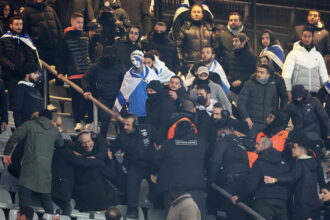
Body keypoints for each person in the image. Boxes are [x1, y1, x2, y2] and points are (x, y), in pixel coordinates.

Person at [3, 109, 64, 214]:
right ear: (50, 119)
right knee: (47, 203)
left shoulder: (29, 125)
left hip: (28, 170)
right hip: (45, 172)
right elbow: (61, 145)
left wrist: (7, 153)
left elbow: (15, 136)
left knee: (24, 205)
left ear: (39, 116)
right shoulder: (55, 131)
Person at [110, 113, 161, 219]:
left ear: (135, 124)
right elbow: (111, 150)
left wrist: (156, 164)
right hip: (135, 166)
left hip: (151, 165)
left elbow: (161, 143)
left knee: (157, 188)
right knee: (131, 186)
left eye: (128, 125)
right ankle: (132, 211)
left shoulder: (147, 129)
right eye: (124, 124)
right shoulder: (122, 136)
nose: (125, 127)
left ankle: (159, 209)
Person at [154, 120, 206, 219]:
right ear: (193, 131)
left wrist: (154, 173)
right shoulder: (201, 143)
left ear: (176, 131)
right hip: (197, 187)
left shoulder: (168, 144)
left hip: (173, 190)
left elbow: (155, 160)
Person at [207, 119, 255, 220]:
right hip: (245, 180)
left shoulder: (225, 140)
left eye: (218, 136)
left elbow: (215, 161)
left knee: (231, 212)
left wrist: (211, 180)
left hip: (232, 181)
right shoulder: (240, 146)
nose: (217, 139)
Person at [231, 137, 289, 220]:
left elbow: (251, 185)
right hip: (281, 201)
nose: (255, 145)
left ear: (264, 146)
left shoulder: (259, 162)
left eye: (258, 144)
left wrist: (239, 197)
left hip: (264, 201)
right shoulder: (283, 163)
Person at [264, 140, 323, 220]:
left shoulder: (300, 164)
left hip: (302, 203)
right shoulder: (313, 163)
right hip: (313, 203)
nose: (292, 149)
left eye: (294, 148)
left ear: (301, 150)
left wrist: (275, 179)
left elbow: (292, 176)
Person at [56, 12, 92, 132]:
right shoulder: (64, 37)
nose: (81, 24)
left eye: (82, 22)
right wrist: (60, 71)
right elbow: (61, 56)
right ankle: (77, 121)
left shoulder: (86, 36)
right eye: (78, 22)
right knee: (76, 100)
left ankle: (90, 121)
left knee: (89, 98)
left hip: (87, 73)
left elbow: (90, 53)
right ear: (72, 22)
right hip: (73, 73)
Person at [82, 46, 125, 137]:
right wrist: (87, 90)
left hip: (117, 99)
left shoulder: (118, 67)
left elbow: (126, 82)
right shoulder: (97, 67)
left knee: (120, 124)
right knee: (106, 124)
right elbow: (85, 78)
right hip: (105, 98)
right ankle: (104, 144)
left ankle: (118, 145)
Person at [72, 131, 118, 211]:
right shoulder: (97, 162)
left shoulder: (74, 158)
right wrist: (110, 160)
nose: (87, 145)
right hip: (99, 203)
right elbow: (112, 175)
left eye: (89, 141)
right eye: (84, 143)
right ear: (79, 144)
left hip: (82, 204)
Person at [0, 15, 38, 110]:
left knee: (25, 102)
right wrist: (13, 67)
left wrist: (27, 68)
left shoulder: (26, 40)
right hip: (10, 75)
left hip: (24, 74)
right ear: (10, 25)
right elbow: (1, 57)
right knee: (14, 101)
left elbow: (31, 57)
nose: (19, 27)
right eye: (16, 24)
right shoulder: (4, 40)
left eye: (21, 24)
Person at [283, 25, 329, 100]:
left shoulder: (318, 55)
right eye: (304, 36)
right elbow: (286, 75)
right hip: (298, 95)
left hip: (315, 96)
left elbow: (324, 78)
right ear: (301, 36)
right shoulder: (293, 54)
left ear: (312, 37)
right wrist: (288, 91)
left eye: (309, 36)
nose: (306, 39)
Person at [283, 85, 330, 156]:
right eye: (296, 98)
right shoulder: (290, 106)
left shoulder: (314, 102)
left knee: (315, 159)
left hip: (314, 136)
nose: (298, 99)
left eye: (300, 97)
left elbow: (324, 118)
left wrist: (327, 133)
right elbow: (283, 121)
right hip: (299, 137)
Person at [114, 50, 159, 120]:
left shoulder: (151, 74)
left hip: (148, 107)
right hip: (133, 107)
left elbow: (157, 91)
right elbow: (124, 91)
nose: (136, 62)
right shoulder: (128, 75)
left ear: (142, 59)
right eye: (133, 60)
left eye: (138, 59)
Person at [238, 64, 279, 138]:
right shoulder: (249, 84)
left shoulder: (272, 87)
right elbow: (241, 103)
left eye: (262, 72)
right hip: (251, 123)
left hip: (266, 125)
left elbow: (274, 105)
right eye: (258, 72)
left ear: (268, 75)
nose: (259, 74)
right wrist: (246, 117)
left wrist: (272, 116)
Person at [176, 3, 215, 75]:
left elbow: (214, 46)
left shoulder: (209, 28)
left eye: (198, 12)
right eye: (194, 12)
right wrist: (181, 62)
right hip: (190, 64)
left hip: (207, 64)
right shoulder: (185, 28)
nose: (196, 14)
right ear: (190, 14)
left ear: (202, 14)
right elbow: (178, 46)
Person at [21, 0, 62, 65]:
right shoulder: (26, 12)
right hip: (39, 53)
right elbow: (24, 34)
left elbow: (59, 27)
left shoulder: (51, 10)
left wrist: (60, 44)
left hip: (55, 51)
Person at [227, 33, 257, 100]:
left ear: (243, 42)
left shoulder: (251, 57)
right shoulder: (231, 55)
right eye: (233, 41)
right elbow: (229, 70)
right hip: (230, 89)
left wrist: (241, 80)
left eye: (236, 41)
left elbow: (253, 73)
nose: (234, 43)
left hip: (243, 91)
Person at [13, 63, 43, 128]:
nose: (37, 75)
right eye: (35, 73)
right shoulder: (20, 87)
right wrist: (19, 128)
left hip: (37, 128)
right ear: (27, 74)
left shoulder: (36, 89)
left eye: (38, 73)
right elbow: (17, 109)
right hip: (25, 127)